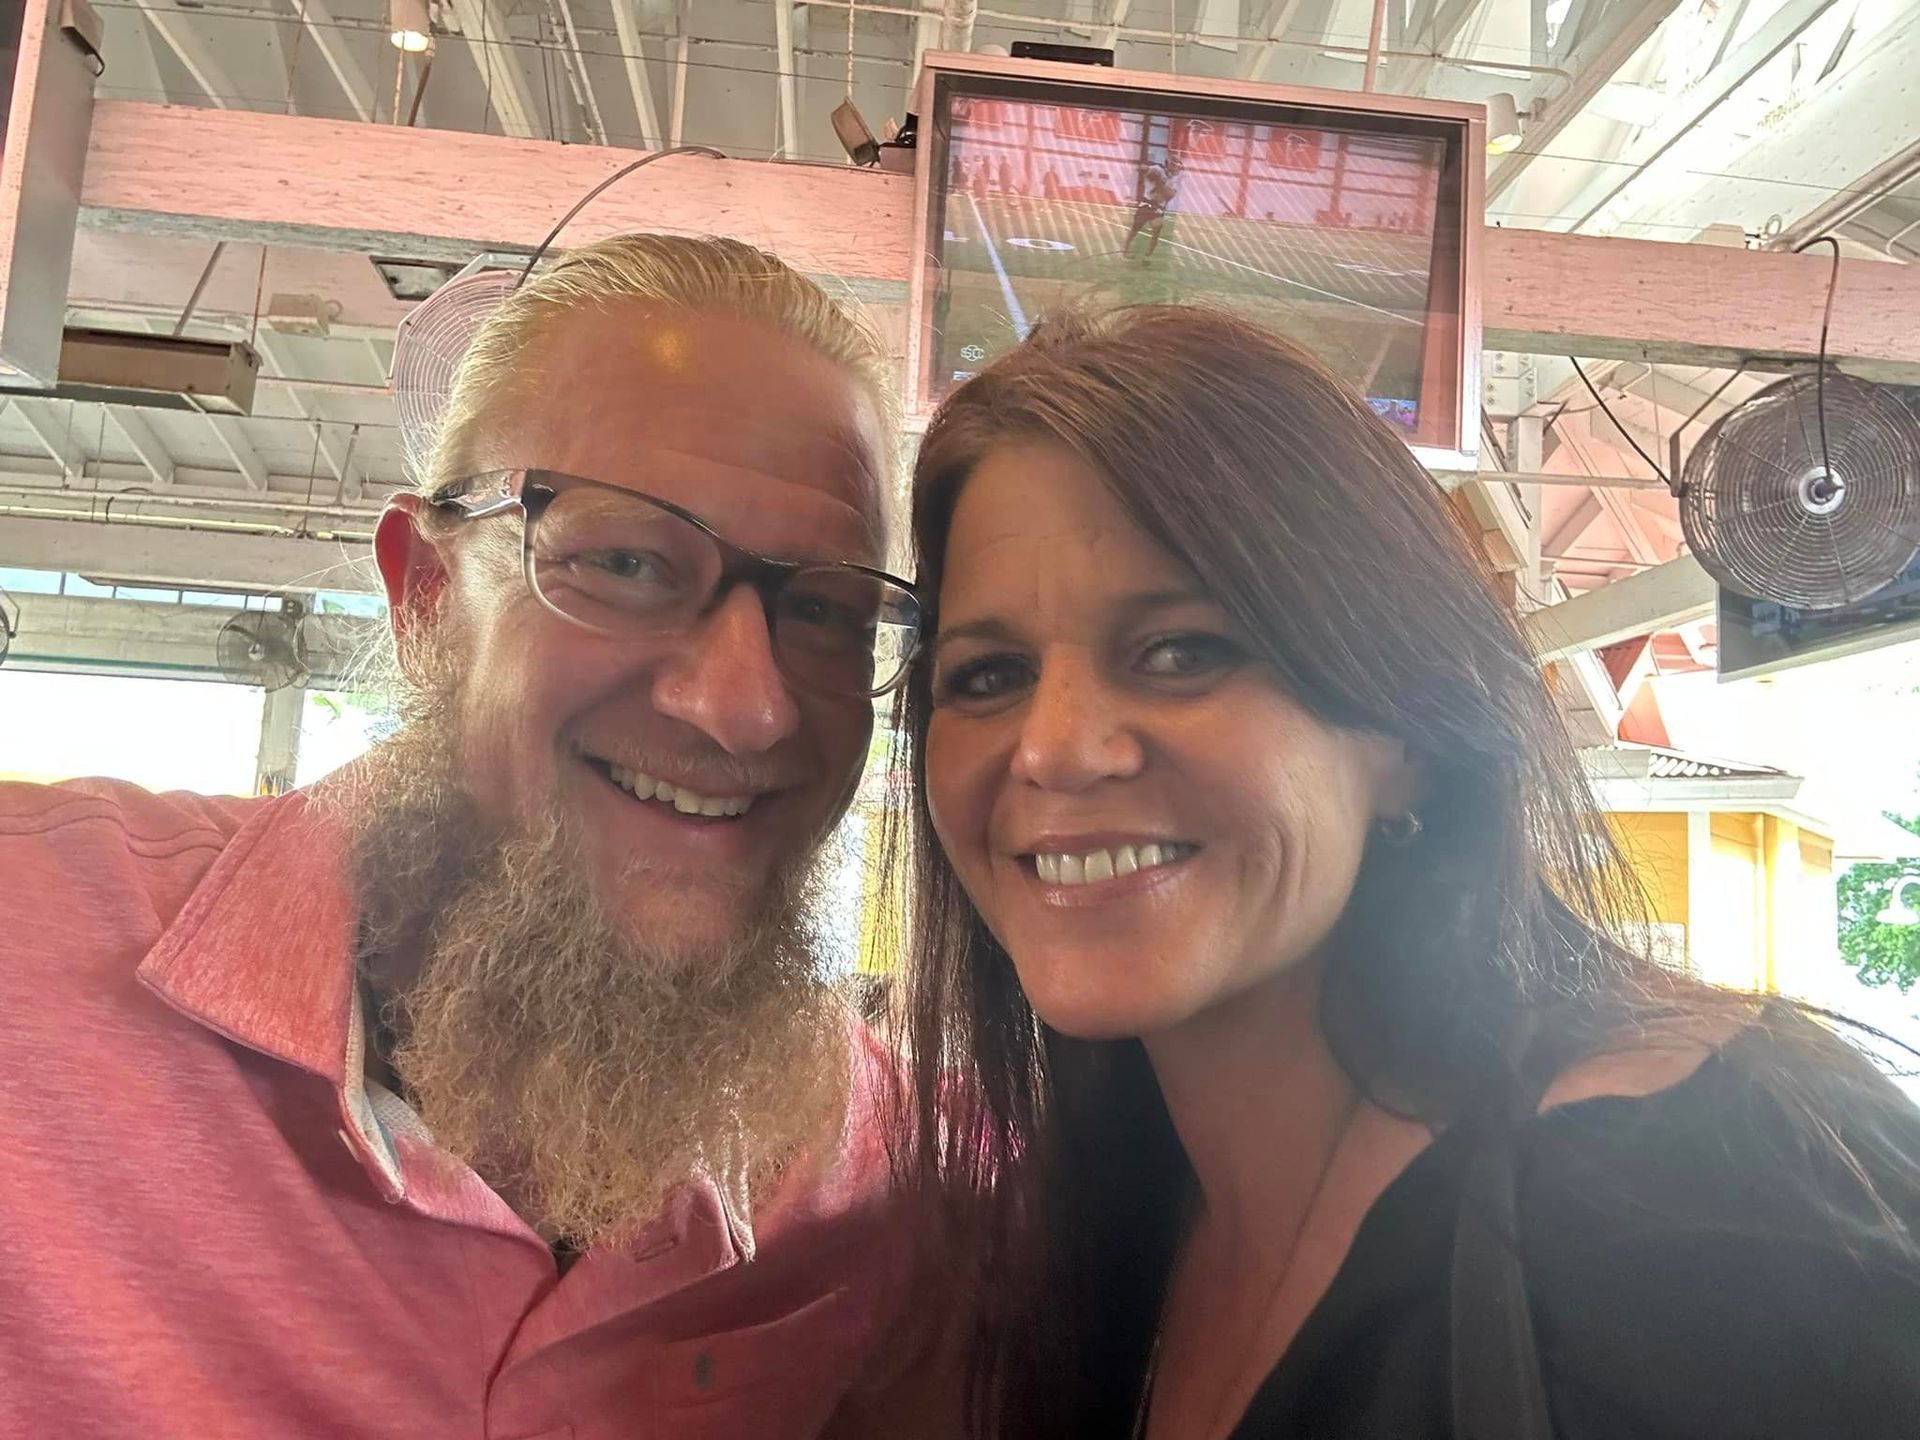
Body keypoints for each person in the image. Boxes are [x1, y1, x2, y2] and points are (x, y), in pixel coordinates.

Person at [888, 304, 1920, 1438]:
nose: (1052, 750)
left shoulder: (1704, 1202)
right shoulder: (1078, 1231)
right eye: (986, 677)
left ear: (1407, 738)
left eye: (1183, 651)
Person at [0, 233, 929, 1438]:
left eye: (824, 609)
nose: (747, 706)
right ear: (426, 599)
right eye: (630, 560)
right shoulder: (34, 958)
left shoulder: (902, 1188)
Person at [1123, 155, 1181, 261]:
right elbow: (1140, 169)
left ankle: (1147, 256)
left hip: (1158, 207)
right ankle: (1125, 250)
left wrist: (1159, 182)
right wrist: (1146, 169)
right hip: (1147, 203)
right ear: (1168, 164)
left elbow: (1170, 195)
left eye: (1177, 166)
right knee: (1135, 228)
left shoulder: (1174, 181)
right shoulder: (1157, 169)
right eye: (1173, 165)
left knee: (1157, 228)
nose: (1175, 168)